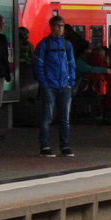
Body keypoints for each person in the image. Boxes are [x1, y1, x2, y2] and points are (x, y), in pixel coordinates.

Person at [33, 16, 76, 158]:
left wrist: (70, 82)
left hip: (64, 85)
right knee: (48, 117)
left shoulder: (67, 45)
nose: (60, 29)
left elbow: (72, 64)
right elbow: (38, 65)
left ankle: (65, 146)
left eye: (62, 26)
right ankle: (45, 146)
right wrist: (44, 83)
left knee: (64, 118)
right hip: (51, 86)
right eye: (57, 26)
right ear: (51, 27)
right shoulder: (44, 44)